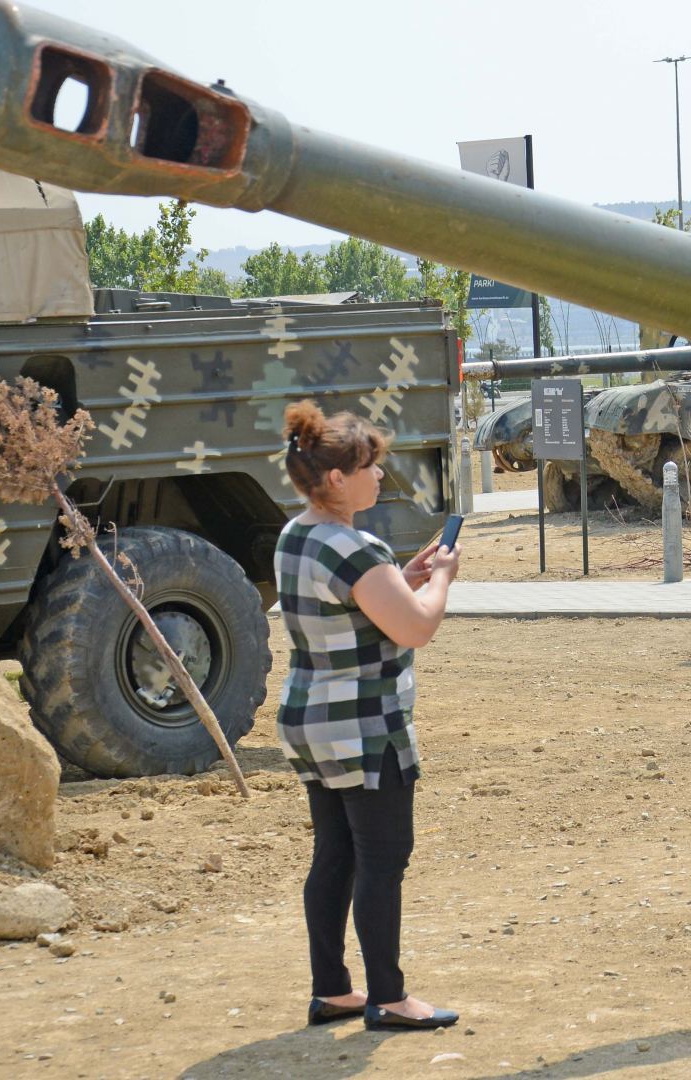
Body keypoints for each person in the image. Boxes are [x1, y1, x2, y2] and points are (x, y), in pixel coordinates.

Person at [275, 399, 462, 1032]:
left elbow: (354, 606)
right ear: (335, 478)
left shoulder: (296, 534)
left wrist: (399, 575)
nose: (379, 476)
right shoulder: (358, 547)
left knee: (334, 853)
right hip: (365, 723)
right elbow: (415, 627)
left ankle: (333, 989)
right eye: (369, 466)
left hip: (310, 718)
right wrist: (439, 579)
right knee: (383, 856)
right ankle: (389, 996)